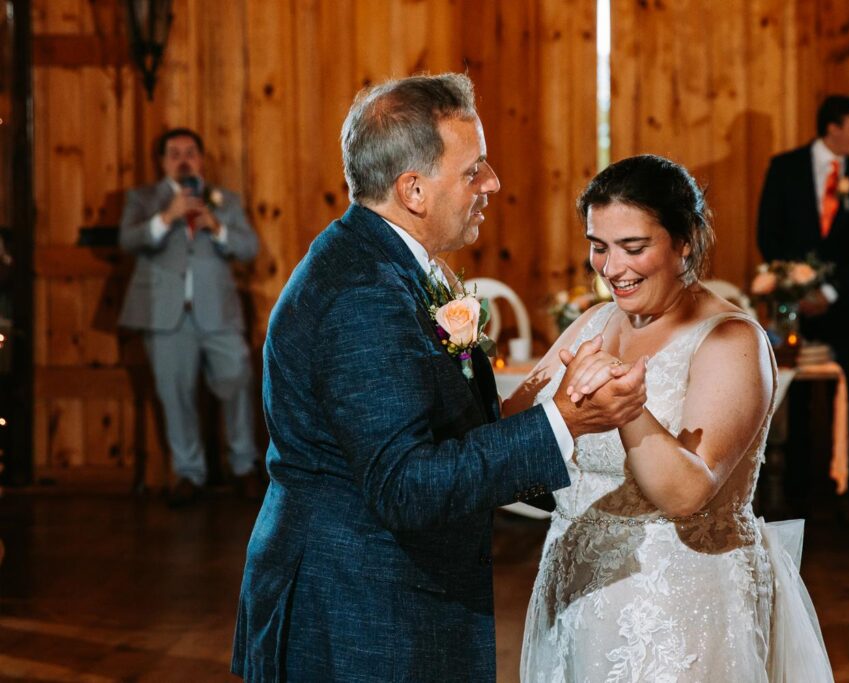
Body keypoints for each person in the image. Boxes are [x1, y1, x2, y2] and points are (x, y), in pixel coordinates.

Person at [230, 73, 648, 682]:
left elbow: (441, 435)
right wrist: (563, 421)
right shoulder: (363, 293)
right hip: (356, 612)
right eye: (474, 169)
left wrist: (543, 411)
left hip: (381, 592)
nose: (492, 183)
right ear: (414, 190)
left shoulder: (388, 262)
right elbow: (406, 485)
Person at [513, 154, 833, 682]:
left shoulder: (732, 340)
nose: (612, 268)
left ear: (684, 240)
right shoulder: (595, 320)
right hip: (576, 597)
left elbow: (686, 492)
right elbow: (513, 429)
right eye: (599, 247)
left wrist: (626, 407)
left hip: (675, 607)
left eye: (633, 247)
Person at [118, 128, 261, 507]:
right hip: (165, 315)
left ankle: (244, 467)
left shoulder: (223, 200)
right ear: (162, 161)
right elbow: (128, 241)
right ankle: (188, 473)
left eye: (191, 152)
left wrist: (216, 226)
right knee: (174, 394)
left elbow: (249, 248)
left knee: (237, 381)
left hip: (218, 313)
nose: (183, 159)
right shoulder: (144, 198)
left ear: (201, 158)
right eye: (174, 153)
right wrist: (167, 217)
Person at [756, 94, 849, 509]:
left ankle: (848, 489)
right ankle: (793, 489)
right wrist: (793, 287)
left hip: (842, 304)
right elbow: (768, 233)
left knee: (847, 390)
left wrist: (829, 291)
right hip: (791, 307)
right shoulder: (785, 167)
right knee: (794, 397)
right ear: (833, 127)